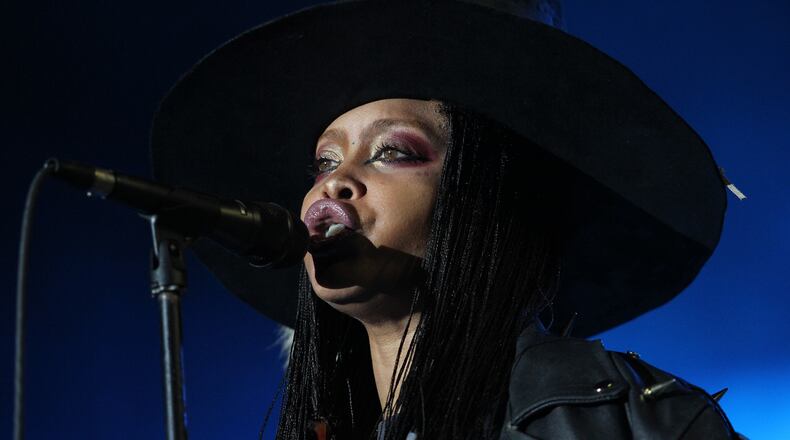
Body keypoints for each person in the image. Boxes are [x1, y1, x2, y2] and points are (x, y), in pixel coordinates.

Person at [151, 1, 741, 438]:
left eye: (392, 152)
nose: (334, 182)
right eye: (324, 162)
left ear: (482, 200)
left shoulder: (633, 423)